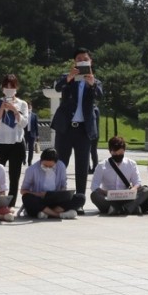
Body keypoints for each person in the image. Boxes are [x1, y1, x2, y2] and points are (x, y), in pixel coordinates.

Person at [50, 48, 103, 204]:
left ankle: (79, 200)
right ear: (74, 62)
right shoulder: (67, 78)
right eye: (79, 59)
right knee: (60, 163)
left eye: (85, 59)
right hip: (65, 128)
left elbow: (100, 95)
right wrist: (70, 77)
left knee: (82, 166)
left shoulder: (95, 81)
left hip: (83, 130)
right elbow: (57, 88)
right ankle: (56, 196)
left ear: (90, 61)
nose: (82, 61)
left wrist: (92, 83)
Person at [0, 74, 29, 206]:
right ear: (2, 88)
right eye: (6, 86)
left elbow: (24, 123)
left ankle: (11, 203)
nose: (9, 89)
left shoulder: (22, 104)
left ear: (16, 88)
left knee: (14, 174)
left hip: (16, 142)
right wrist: (2, 108)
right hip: (0, 142)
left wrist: (14, 110)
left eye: (12, 86)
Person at [90, 136, 148, 216]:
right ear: (110, 151)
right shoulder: (102, 166)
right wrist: (105, 192)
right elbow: (94, 186)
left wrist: (133, 189)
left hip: (127, 197)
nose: (118, 155)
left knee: (146, 190)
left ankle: (122, 208)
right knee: (94, 195)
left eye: (120, 153)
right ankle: (129, 208)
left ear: (124, 151)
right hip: (109, 198)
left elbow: (137, 182)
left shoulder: (131, 164)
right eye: (115, 153)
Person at [20, 148, 85, 219]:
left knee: (81, 197)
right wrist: (40, 194)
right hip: (40, 200)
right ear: (41, 160)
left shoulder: (61, 166)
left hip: (57, 202)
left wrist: (62, 193)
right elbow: (23, 191)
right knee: (27, 198)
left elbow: (63, 186)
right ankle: (58, 215)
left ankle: (47, 214)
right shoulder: (31, 170)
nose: (47, 168)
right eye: (45, 165)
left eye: (50, 166)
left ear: (56, 163)